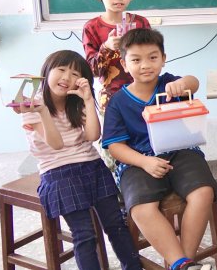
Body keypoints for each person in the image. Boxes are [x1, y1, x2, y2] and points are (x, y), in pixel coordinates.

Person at [102, 29, 217, 270]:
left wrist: (182, 84)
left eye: (153, 57)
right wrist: (144, 162)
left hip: (182, 151)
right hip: (138, 162)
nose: (145, 65)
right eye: (136, 60)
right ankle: (183, 264)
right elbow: (115, 147)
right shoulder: (118, 102)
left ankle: (182, 263)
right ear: (124, 64)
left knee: (203, 192)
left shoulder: (169, 83)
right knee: (141, 209)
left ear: (163, 58)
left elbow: (193, 82)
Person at [18, 50, 140, 270]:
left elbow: (93, 136)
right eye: (61, 70)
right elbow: (56, 144)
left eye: (75, 74)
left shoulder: (76, 102)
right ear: (47, 71)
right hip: (58, 173)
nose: (66, 77)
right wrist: (44, 112)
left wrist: (88, 100)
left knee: (116, 224)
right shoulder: (33, 106)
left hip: (92, 166)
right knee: (84, 234)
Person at [82, 0, 150, 110]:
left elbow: (152, 58)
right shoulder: (92, 27)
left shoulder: (141, 23)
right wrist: (106, 47)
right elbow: (92, 71)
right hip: (111, 99)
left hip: (144, 95)